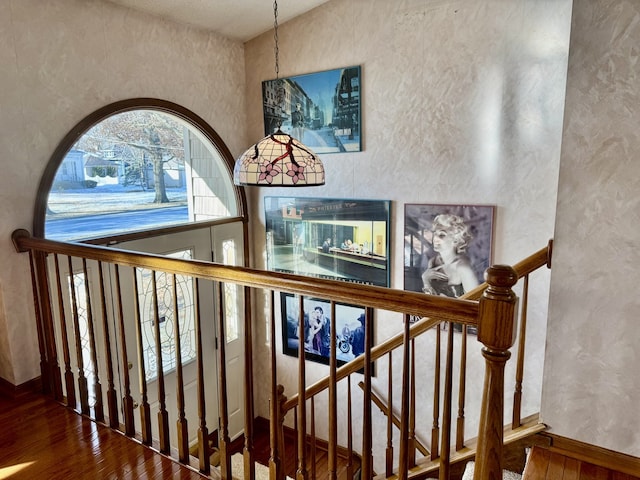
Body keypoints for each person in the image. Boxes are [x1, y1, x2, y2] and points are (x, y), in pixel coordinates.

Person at [421, 214, 479, 298]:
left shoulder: (463, 268)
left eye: (442, 235)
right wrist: (425, 279)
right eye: (435, 234)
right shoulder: (433, 262)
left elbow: (474, 304)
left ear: (455, 240)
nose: (435, 239)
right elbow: (429, 299)